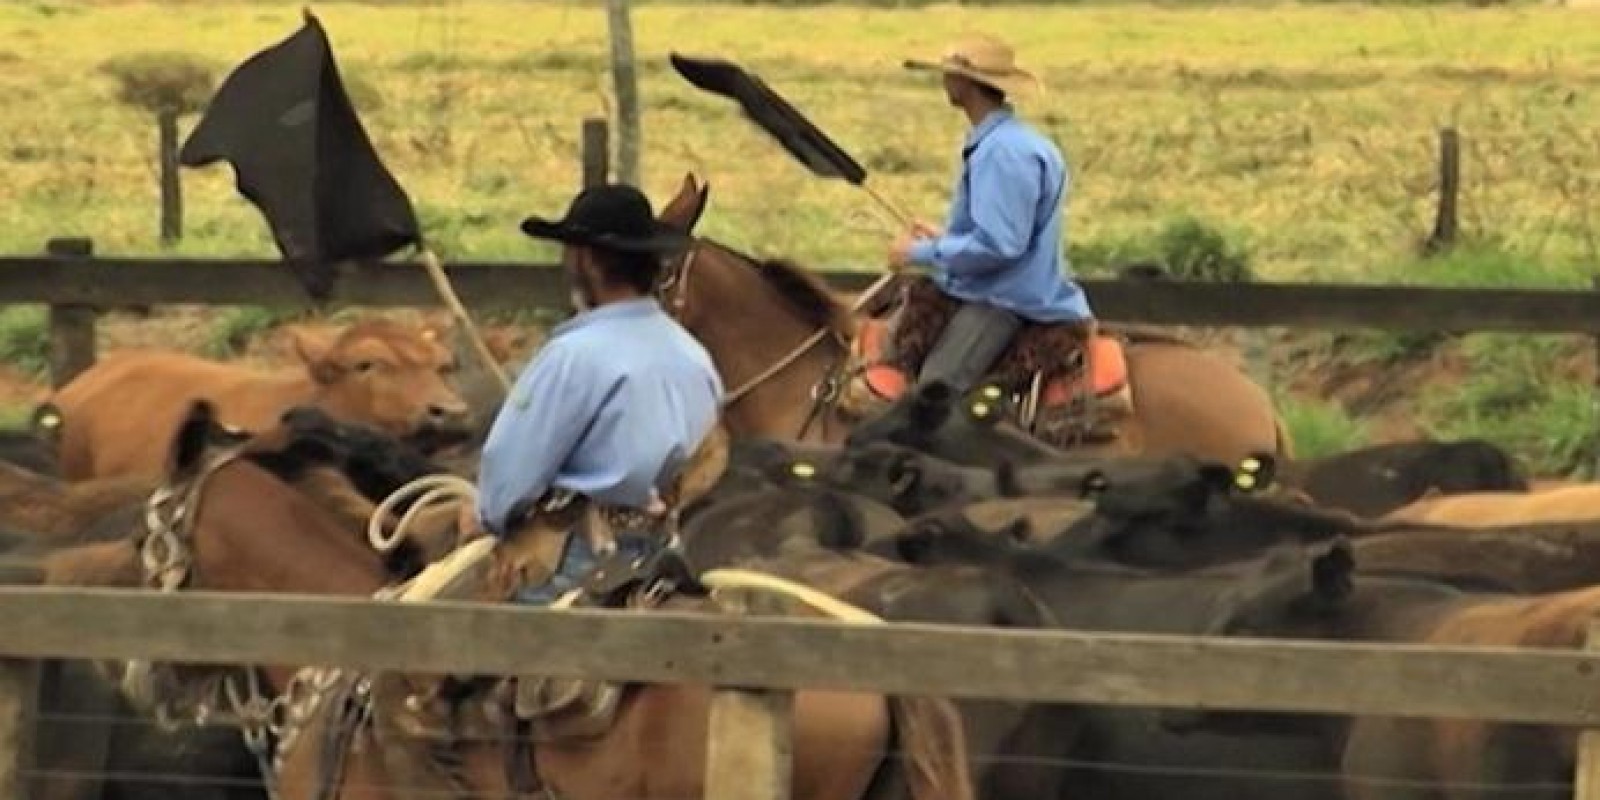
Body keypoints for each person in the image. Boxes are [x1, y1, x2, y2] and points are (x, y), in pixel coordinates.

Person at [474, 183, 725, 604]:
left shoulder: (573, 356)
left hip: (572, 557)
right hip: (661, 551)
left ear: (586, 260)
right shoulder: (693, 356)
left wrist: (488, 515)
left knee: (441, 649)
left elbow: (511, 467)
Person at [888, 32, 1096, 394]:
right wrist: (946, 239)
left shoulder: (1002, 153)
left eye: (949, 73)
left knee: (934, 392)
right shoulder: (1011, 143)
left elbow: (1001, 246)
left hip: (1005, 301)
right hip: (1006, 291)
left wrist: (918, 252)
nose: (944, 80)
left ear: (966, 83)